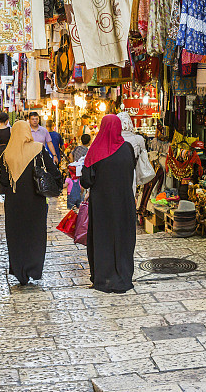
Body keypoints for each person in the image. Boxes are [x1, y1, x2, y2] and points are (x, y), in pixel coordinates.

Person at [80, 115, 136, 293]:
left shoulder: (95, 150)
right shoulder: (127, 148)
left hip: (102, 205)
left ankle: (103, 277)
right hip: (124, 202)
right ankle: (123, 275)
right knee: (122, 237)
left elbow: (86, 181)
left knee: (102, 238)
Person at [0, 121, 58, 286]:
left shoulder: (7, 153)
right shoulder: (38, 149)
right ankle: (34, 269)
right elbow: (53, 170)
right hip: (35, 201)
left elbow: (4, 181)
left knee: (16, 235)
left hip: (14, 203)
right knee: (35, 233)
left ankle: (20, 271)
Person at [118, 111, 147, 196]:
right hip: (132, 171)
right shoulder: (139, 139)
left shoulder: (113, 139)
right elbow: (144, 156)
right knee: (130, 195)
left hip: (115, 172)